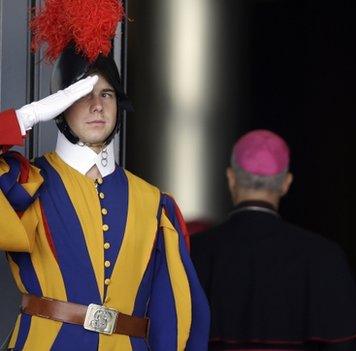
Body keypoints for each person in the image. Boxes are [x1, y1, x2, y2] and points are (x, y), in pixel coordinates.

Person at [0, 1, 210, 349]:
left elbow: (174, 314)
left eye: (106, 94)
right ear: (60, 106)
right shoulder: (25, 182)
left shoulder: (155, 204)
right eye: (81, 95)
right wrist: (25, 117)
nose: (97, 105)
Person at [191, 130, 356, 351]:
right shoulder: (324, 256)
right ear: (286, 183)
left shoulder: (194, 251)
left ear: (231, 178)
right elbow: (346, 346)